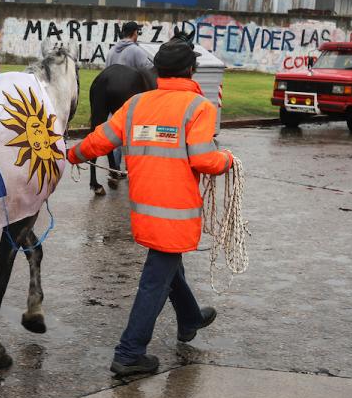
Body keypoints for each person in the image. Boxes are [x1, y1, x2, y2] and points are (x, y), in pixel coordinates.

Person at [67, 36, 235, 376]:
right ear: (191, 70)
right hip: (176, 212)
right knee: (155, 279)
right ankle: (129, 353)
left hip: (145, 210)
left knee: (168, 265)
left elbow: (101, 139)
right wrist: (228, 160)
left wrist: (72, 154)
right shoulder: (199, 108)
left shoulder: (137, 104)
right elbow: (205, 159)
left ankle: (190, 318)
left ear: (158, 70)